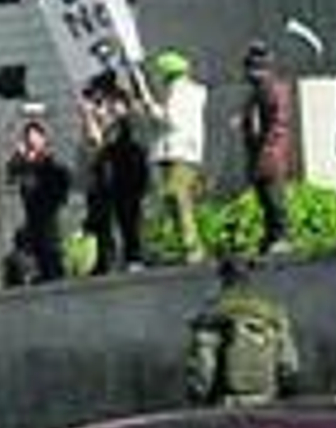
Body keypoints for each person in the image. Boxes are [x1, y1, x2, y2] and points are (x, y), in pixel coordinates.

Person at [187, 257, 300, 407]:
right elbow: (289, 364)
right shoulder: (273, 313)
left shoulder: (212, 315)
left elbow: (204, 368)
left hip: (228, 404)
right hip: (268, 400)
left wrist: (198, 399)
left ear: (222, 279)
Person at [79, 76, 150, 274]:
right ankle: (106, 259)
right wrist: (90, 116)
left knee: (129, 215)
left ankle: (133, 257)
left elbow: (130, 121)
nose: (97, 103)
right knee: (101, 216)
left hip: (127, 169)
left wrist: (104, 115)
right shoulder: (97, 114)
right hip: (104, 171)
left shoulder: (123, 109)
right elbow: (94, 141)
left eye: (98, 96)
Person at [148, 50, 207, 263]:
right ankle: (185, 244)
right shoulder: (186, 92)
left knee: (177, 196)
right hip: (176, 152)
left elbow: (171, 120)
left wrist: (153, 109)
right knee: (174, 199)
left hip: (179, 152)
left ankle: (192, 246)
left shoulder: (182, 93)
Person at [240, 42, 293, 254]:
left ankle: (281, 236)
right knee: (265, 197)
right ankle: (272, 235)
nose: (249, 72)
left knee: (273, 196)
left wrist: (269, 148)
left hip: (269, 152)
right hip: (260, 151)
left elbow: (277, 122)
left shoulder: (271, 88)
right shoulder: (257, 91)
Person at [7, 119, 73, 284]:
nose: (31, 143)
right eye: (28, 139)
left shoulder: (52, 165)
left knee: (52, 267)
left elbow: (59, 188)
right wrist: (20, 158)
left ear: (44, 140)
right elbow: (11, 175)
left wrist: (33, 164)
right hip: (32, 226)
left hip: (49, 228)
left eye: (35, 137)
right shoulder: (23, 166)